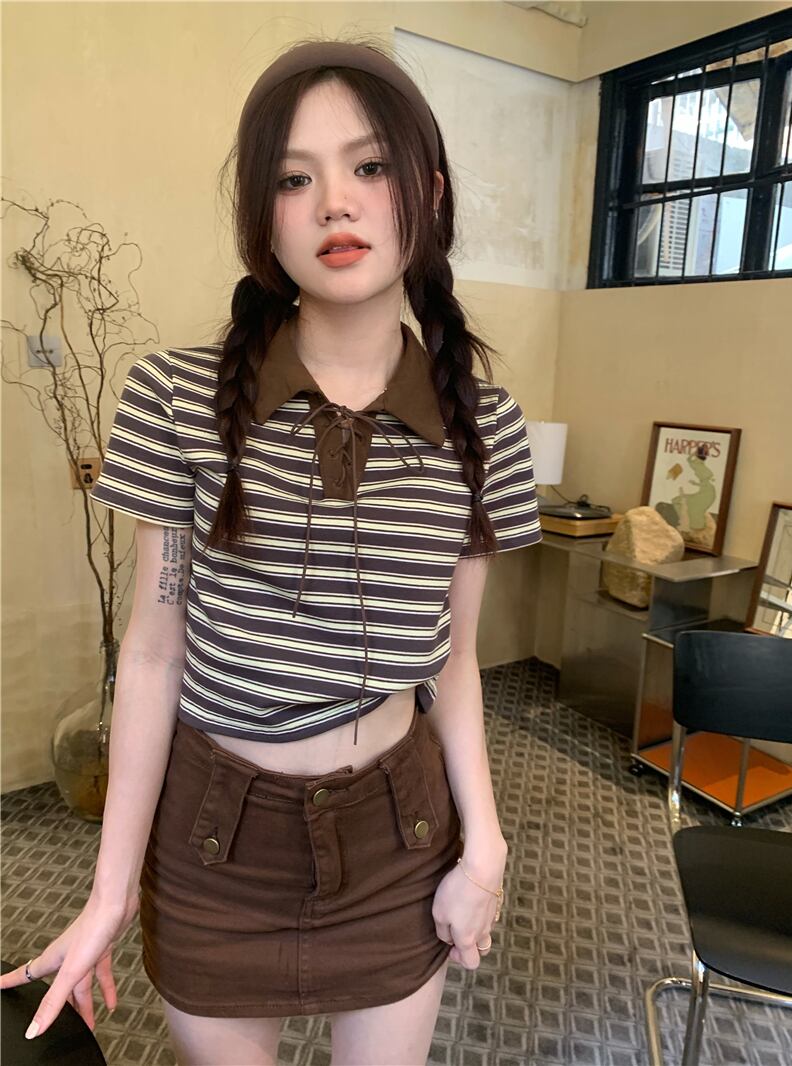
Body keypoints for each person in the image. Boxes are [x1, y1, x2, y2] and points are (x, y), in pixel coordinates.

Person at [0, 34, 542, 1066]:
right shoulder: (175, 398)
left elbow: (455, 660)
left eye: (368, 166)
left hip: (396, 836)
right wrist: (110, 890)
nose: (335, 203)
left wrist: (486, 842)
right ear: (263, 218)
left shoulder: (486, 428)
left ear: (427, 192)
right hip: (218, 844)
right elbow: (152, 652)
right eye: (294, 179)